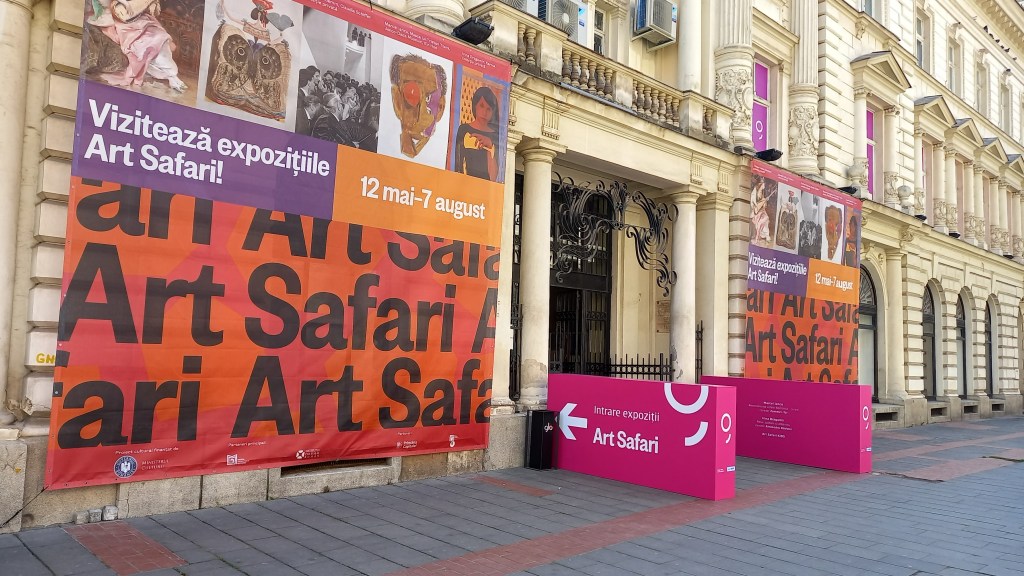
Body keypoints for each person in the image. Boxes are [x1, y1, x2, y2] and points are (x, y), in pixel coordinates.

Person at [88, 0, 187, 92]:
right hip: (125, 27)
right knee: (145, 46)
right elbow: (123, 14)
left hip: (144, 22)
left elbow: (152, 12)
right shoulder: (117, 6)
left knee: (160, 38)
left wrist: (153, 4)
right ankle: (171, 77)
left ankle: (172, 76)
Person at [389, 54, 447, 158]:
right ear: (397, 102)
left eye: (428, 98)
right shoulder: (387, 142)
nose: (421, 111)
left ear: (440, 108)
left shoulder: (437, 156)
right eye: (411, 95)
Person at [453, 87, 500, 181]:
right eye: (481, 106)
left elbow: (494, 176)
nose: (484, 112)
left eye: (489, 109)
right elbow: (458, 162)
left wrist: (491, 147)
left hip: (486, 188)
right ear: (475, 106)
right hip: (464, 184)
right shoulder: (463, 129)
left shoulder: (496, 135)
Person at [750, 177, 772, 246]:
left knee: (766, 220)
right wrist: (764, 200)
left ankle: (766, 236)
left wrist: (765, 201)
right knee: (759, 224)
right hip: (757, 211)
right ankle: (758, 238)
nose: (764, 186)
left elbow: (764, 205)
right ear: (761, 184)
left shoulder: (762, 192)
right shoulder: (755, 192)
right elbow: (755, 203)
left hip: (762, 211)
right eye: (763, 184)